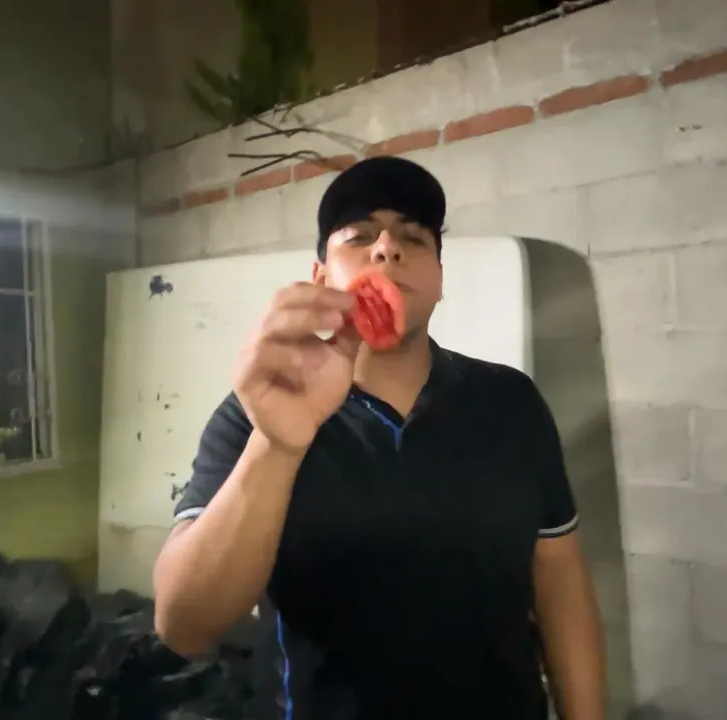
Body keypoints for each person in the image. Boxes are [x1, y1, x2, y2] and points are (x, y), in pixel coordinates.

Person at [152, 156, 605, 720]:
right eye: (359, 236)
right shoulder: (255, 415)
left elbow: (560, 578)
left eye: (413, 237)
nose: (387, 248)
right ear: (321, 277)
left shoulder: (511, 402)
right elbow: (183, 627)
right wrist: (278, 447)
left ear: (439, 279)